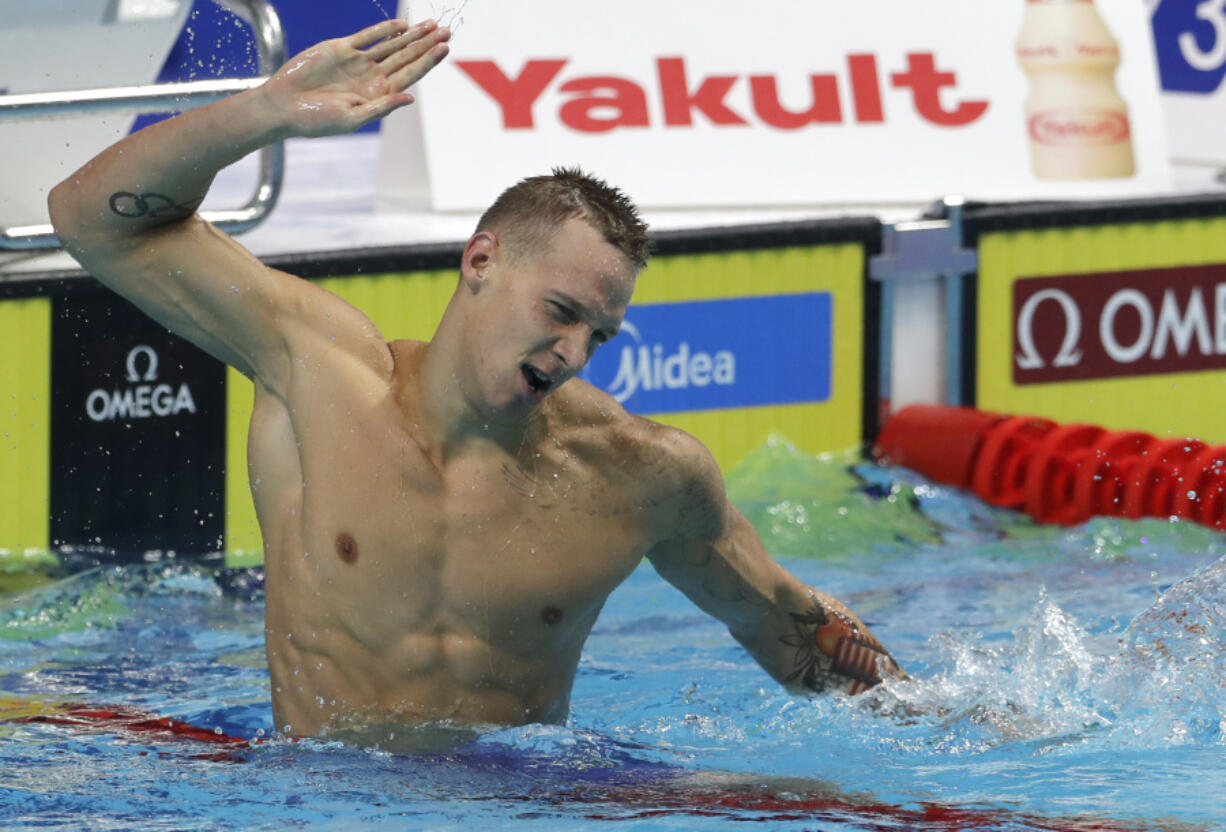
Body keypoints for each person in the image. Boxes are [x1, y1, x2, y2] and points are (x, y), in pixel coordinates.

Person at [48, 18, 904, 752]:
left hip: (520, 802)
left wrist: (935, 715)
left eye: (599, 336)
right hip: (311, 799)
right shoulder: (318, 374)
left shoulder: (636, 475)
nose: (572, 352)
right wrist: (263, 113)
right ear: (483, 260)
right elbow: (91, 218)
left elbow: (787, 621)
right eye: (561, 311)